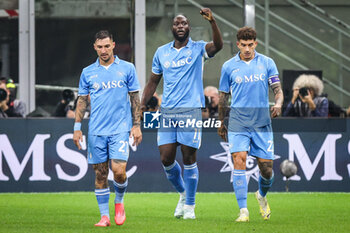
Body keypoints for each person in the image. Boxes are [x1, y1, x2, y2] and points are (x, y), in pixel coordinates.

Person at [141, 8, 223, 219]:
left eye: (184, 23)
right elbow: (153, 81)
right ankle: (183, 194)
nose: (180, 26)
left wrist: (212, 22)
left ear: (189, 27)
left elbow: (219, 46)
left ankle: (190, 207)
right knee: (166, 158)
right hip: (167, 111)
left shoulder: (198, 49)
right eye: (177, 23)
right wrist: (141, 105)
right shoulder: (162, 52)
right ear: (172, 28)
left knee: (189, 158)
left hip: (190, 110)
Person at [73, 30, 142, 227]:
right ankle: (104, 217)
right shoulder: (88, 72)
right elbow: (82, 101)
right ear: (95, 47)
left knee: (118, 171)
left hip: (120, 128)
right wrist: (77, 127)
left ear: (113, 45)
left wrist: (136, 125)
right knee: (101, 174)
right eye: (99, 47)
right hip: (96, 131)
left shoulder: (127, 68)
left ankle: (119, 201)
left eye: (106, 46)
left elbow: (135, 99)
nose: (103, 50)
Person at [217, 26, 283, 222]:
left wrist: (278, 104)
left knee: (267, 169)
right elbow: (222, 98)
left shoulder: (267, 63)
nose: (247, 48)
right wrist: (222, 122)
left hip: (262, 123)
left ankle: (261, 195)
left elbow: (277, 90)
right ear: (238, 44)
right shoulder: (229, 66)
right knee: (239, 160)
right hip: (238, 122)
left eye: (250, 45)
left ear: (256, 43)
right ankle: (243, 211)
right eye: (243, 45)